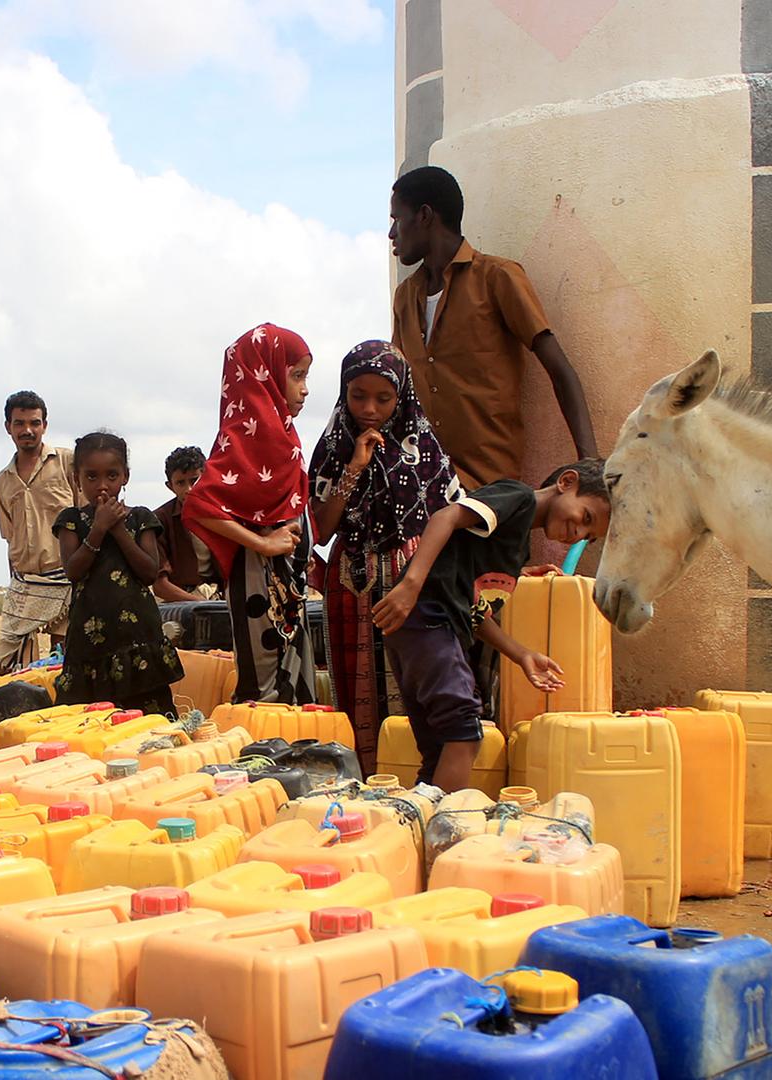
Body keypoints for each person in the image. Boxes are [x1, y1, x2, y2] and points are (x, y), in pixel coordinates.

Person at [369, 460, 611, 791]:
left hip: (426, 625)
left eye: (588, 535)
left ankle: (417, 824)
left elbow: (475, 611)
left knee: (441, 747)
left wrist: (522, 654)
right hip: (428, 616)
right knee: (464, 729)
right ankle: (445, 828)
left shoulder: (516, 545)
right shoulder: (518, 497)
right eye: (586, 518)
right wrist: (411, 584)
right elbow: (447, 516)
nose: (578, 533)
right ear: (567, 482)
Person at [388, 165, 600, 488]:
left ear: (425, 215)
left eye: (397, 219)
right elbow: (395, 391)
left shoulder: (498, 278)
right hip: (422, 492)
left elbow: (560, 370)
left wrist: (591, 469)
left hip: (491, 494)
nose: (392, 234)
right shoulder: (405, 298)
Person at [309, 340, 461, 771]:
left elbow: (454, 516)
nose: (370, 409)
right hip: (349, 588)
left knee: (417, 687)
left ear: (402, 395)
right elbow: (319, 529)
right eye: (358, 396)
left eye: (383, 398)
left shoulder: (425, 451)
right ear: (344, 392)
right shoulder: (334, 447)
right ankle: (366, 781)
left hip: (413, 581)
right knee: (360, 698)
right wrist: (355, 466)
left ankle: (420, 779)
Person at [183, 323, 317, 704]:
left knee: (291, 694)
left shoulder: (280, 436)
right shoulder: (245, 436)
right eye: (297, 375)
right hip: (259, 591)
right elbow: (201, 505)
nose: (305, 389)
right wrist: (262, 541)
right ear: (267, 375)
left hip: (289, 593)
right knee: (267, 695)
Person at [53, 432, 186, 714]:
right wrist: (99, 528)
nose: (102, 486)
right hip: (90, 643)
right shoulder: (71, 521)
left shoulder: (140, 518)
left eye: (111, 476)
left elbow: (149, 572)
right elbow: (73, 571)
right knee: (92, 721)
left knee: (150, 720)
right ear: (77, 478)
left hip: (137, 640)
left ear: (125, 476)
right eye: (91, 477)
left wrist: (118, 530)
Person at [0, 390, 79, 674]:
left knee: (62, 668)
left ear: (45, 425)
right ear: (8, 427)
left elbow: (88, 518)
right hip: (25, 584)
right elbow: (10, 540)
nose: (27, 430)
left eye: (34, 423)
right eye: (19, 423)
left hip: (66, 581)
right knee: (7, 671)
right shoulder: (1, 483)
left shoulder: (68, 463)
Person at [152, 446, 220, 603]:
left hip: (220, 593)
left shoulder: (222, 514)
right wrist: (202, 604)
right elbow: (160, 585)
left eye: (194, 480)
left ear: (207, 478)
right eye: (180, 483)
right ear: (170, 486)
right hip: (180, 599)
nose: (189, 489)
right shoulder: (160, 520)